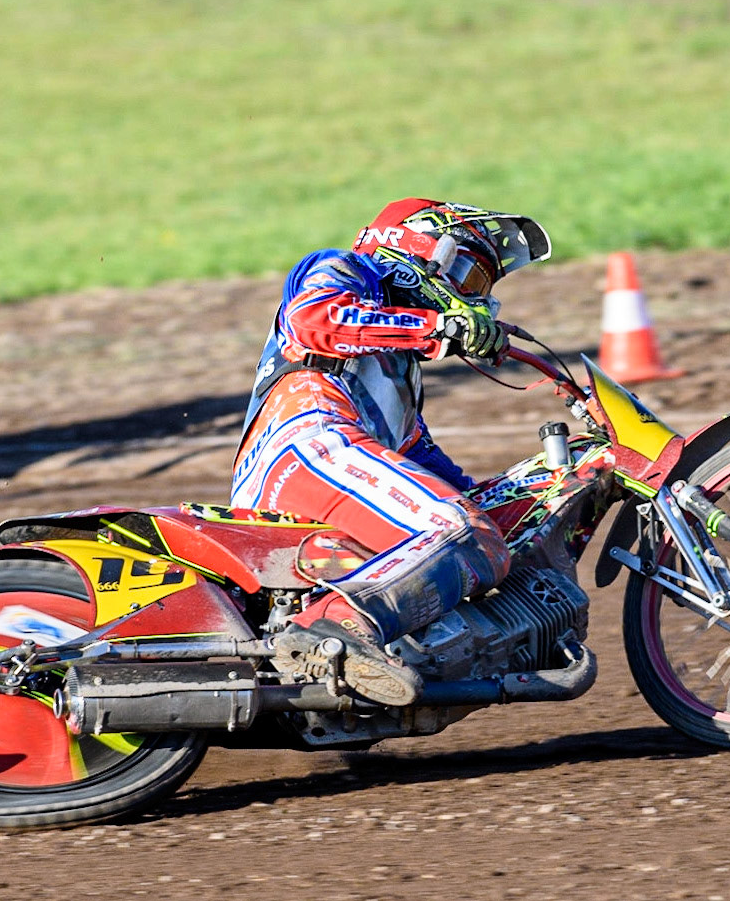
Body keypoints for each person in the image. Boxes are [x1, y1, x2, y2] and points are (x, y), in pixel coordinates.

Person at [231, 198, 552, 705]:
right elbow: (316, 321)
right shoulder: (342, 268)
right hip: (304, 443)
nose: (471, 297)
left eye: (481, 289)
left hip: (321, 463)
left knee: (480, 532)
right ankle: (333, 630)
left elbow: (422, 460)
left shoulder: (399, 377)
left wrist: (530, 488)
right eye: (467, 276)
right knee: (457, 529)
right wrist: (435, 329)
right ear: (419, 249)